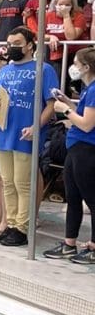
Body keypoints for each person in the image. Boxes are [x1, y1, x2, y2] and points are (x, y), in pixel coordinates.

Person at [0, 27, 60, 247]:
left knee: (23, 183)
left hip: (26, 133)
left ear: (30, 45)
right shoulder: (5, 71)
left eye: (17, 42)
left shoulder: (43, 69)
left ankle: (22, 227)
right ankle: (10, 224)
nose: (12, 47)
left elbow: (51, 104)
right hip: (3, 131)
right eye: (9, 43)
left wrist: (36, 127)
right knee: (7, 182)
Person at [45, 48, 95, 264]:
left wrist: (64, 110)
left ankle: (93, 246)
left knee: (92, 200)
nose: (73, 67)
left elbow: (86, 124)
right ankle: (69, 243)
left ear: (86, 67)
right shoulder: (87, 88)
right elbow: (83, 112)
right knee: (72, 197)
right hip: (75, 147)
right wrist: (68, 102)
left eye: (75, 63)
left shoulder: (94, 89)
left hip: (87, 148)